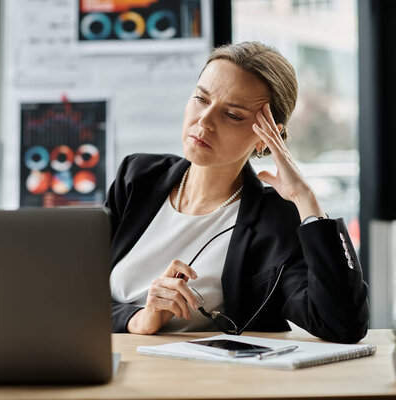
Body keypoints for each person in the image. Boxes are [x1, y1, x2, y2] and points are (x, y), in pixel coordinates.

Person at [105, 42, 369, 344]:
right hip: (108, 366)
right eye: (201, 99)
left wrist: (305, 200)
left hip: (208, 383)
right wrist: (137, 319)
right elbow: (72, 292)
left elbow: (342, 325)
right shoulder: (137, 177)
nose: (204, 121)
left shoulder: (275, 221)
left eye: (232, 115)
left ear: (265, 139)